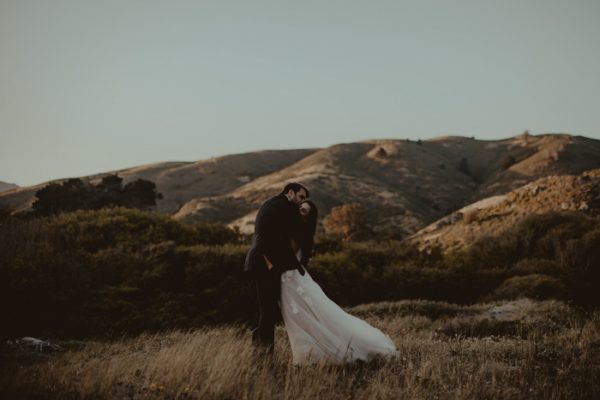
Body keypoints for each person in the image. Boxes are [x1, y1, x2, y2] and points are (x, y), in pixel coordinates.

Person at [280, 200, 398, 364]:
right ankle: (311, 353)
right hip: (294, 278)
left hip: (291, 280)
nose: (300, 211)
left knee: (305, 318)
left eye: (304, 211)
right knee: (309, 316)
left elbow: (286, 255)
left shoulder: (297, 231)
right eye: (300, 208)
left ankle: (313, 354)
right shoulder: (304, 231)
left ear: (309, 217)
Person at [244, 182, 309, 353]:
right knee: (267, 311)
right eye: (300, 197)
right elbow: (286, 239)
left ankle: (259, 353)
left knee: (261, 311)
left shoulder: (271, 203)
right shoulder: (285, 207)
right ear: (290, 192)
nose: (301, 202)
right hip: (265, 263)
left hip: (256, 261)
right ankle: (265, 356)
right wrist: (298, 266)